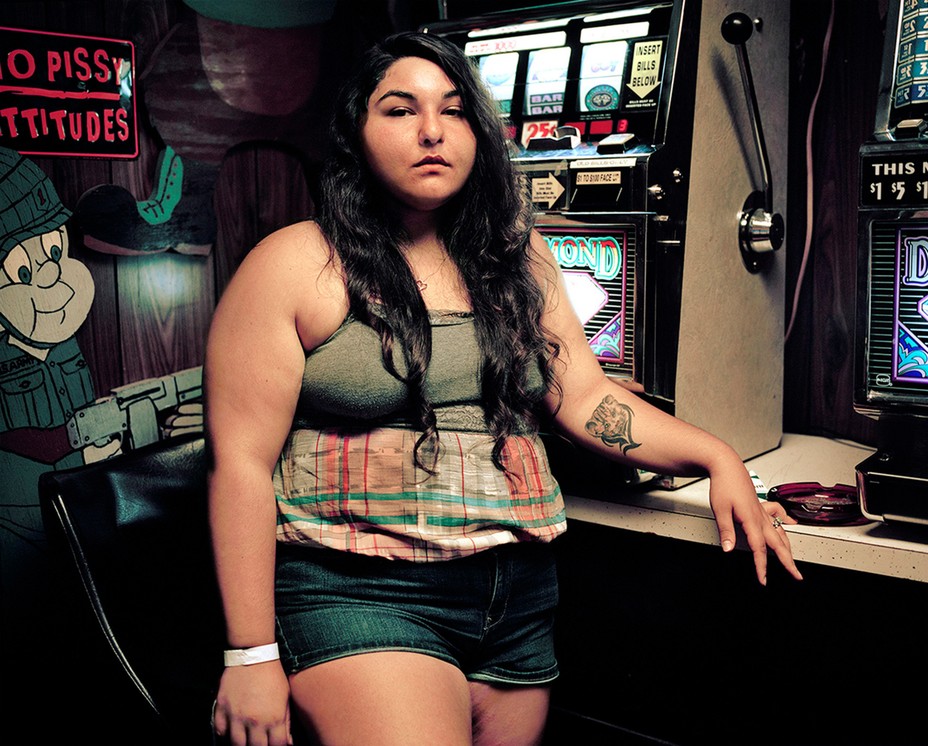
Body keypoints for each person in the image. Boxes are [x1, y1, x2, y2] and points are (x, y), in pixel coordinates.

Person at [205, 31, 802, 746]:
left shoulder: (517, 254)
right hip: (360, 591)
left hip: (515, 598)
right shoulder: (295, 263)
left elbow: (582, 397)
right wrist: (251, 652)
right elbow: (238, 463)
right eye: (400, 110)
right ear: (355, 132)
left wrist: (718, 456)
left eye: (453, 110)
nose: (431, 131)